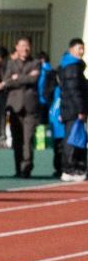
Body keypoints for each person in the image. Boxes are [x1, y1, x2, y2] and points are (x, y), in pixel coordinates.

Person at [4, 37, 41, 179]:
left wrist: (17, 78)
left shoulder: (35, 63)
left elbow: (34, 79)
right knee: (17, 139)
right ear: (17, 47)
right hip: (14, 106)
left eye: (27, 46)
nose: (25, 49)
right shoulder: (11, 63)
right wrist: (23, 78)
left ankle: (27, 167)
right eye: (22, 46)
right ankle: (17, 167)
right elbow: (6, 82)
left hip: (30, 107)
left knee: (28, 139)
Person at [56, 37, 87, 182]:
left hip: (69, 108)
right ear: (71, 49)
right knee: (74, 139)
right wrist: (81, 109)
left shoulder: (70, 66)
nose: (82, 51)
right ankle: (70, 168)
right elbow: (74, 91)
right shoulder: (72, 67)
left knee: (76, 138)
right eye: (79, 48)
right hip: (73, 110)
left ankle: (75, 167)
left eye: (83, 48)